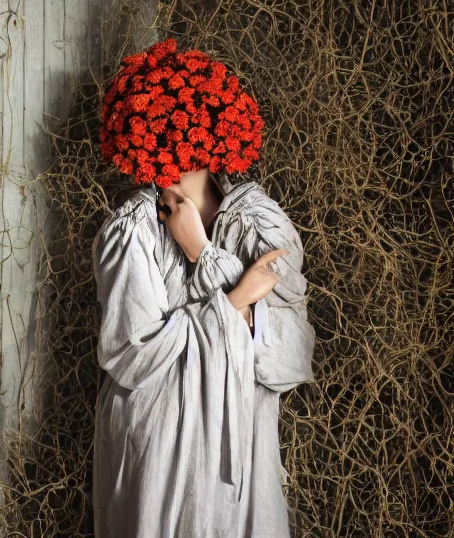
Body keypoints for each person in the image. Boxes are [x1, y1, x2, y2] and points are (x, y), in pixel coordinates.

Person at [92, 38, 316, 537]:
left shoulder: (261, 227)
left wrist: (203, 254)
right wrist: (234, 298)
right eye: (158, 128)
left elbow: (290, 358)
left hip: (241, 453)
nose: (171, 144)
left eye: (181, 124)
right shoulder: (133, 231)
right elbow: (131, 356)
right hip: (159, 452)